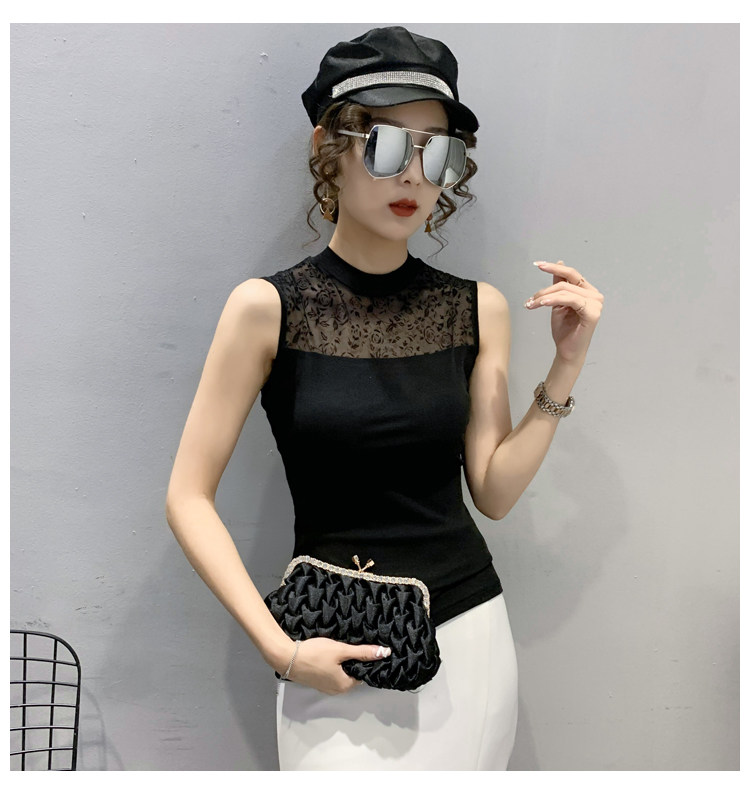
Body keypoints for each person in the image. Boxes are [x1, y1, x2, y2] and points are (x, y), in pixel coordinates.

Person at [165, 26, 603, 771]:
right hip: (326, 646)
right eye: (389, 145)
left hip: (467, 638)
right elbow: (187, 496)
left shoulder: (477, 309)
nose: (415, 176)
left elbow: (493, 493)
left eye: (436, 153)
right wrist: (278, 647)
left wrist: (566, 364)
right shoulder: (267, 308)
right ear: (328, 147)